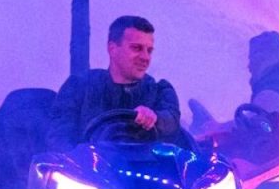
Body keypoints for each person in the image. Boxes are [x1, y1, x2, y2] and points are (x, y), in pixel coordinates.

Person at [47, 16, 181, 152]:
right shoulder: (78, 88)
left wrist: (155, 117)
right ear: (112, 49)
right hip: (88, 171)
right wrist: (79, 162)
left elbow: (171, 120)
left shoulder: (159, 91)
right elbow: (59, 138)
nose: (145, 57)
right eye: (136, 48)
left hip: (147, 170)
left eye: (149, 50)